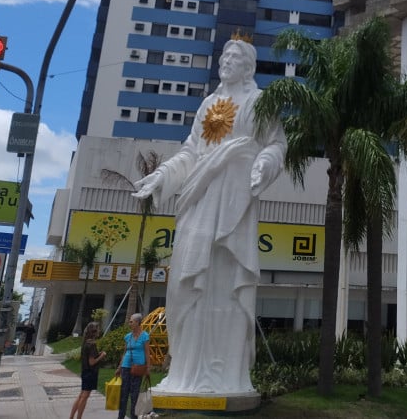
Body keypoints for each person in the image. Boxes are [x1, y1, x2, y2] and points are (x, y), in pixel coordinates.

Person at [132, 37, 287, 395]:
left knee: (225, 281)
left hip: (234, 199)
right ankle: (186, 371)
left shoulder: (258, 102)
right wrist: (162, 175)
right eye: (224, 55)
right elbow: (191, 152)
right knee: (189, 278)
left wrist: (264, 163)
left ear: (248, 66)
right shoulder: (208, 104)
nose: (227, 61)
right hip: (199, 199)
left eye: (235, 57)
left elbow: (277, 143)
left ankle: (227, 375)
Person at [69, 322, 106, 419]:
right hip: (90, 373)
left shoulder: (86, 342)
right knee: (84, 397)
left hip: (85, 371)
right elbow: (92, 362)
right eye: (98, 329)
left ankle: (72, 416)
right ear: (94, 331)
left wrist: (98, 354)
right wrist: (101, 356)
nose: (99, 331)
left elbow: (89, 358)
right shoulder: (92, 344)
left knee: (81, 395)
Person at [117, 313, 150, 419]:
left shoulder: (145, 336)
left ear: (137, 322)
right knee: (124, 394)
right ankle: (120, 416)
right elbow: (124, 352)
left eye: (131, 321)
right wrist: (119, 367)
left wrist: (148, 368)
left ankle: (133, 416)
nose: (129, 323)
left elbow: (147, 353)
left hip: (138, 368)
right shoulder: (128, 337)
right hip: (126, 367)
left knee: (135, 395)